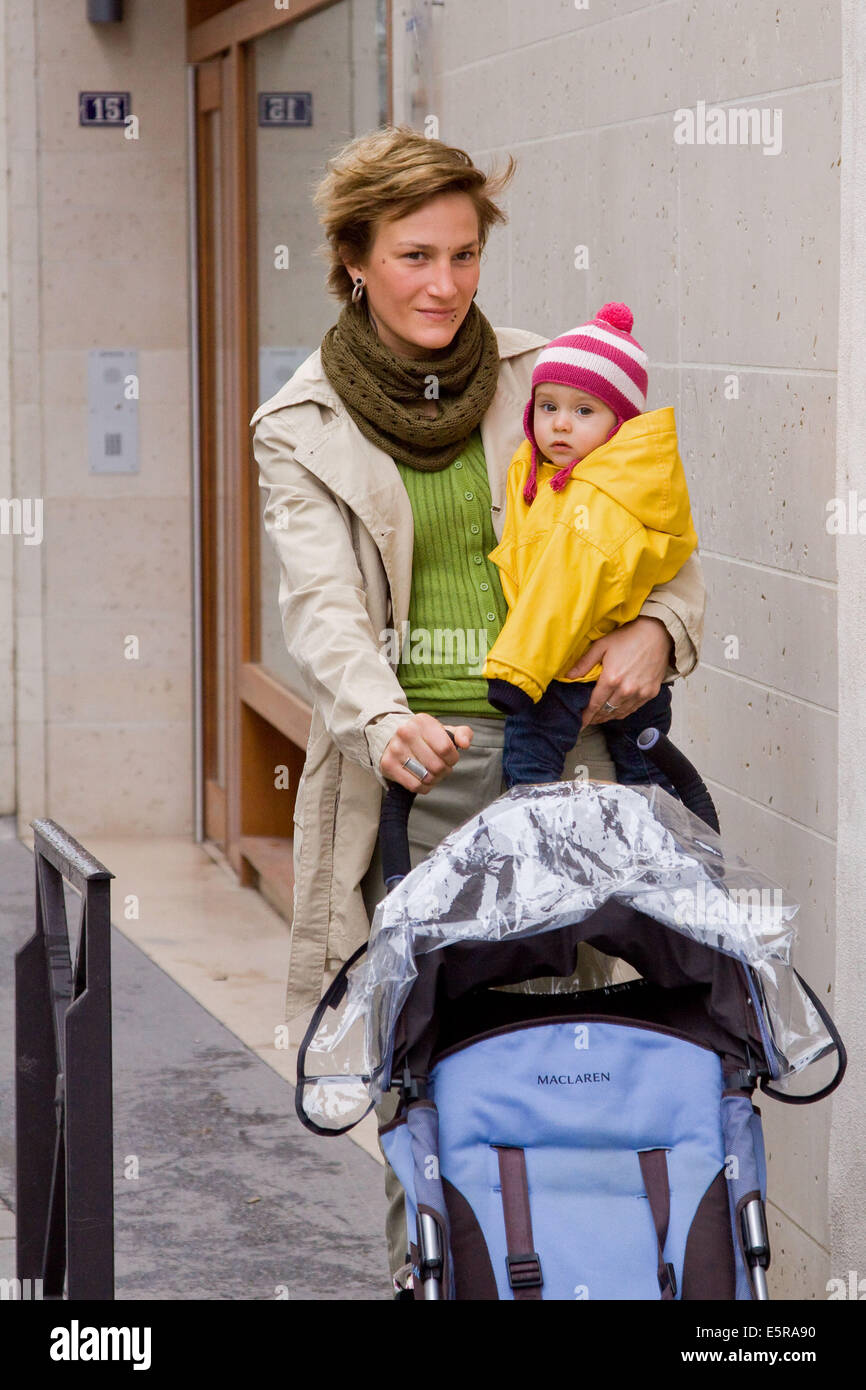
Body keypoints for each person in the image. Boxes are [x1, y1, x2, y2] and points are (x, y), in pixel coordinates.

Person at [250, 125, 706, 1292]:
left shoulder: (552, 377)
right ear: (353, 258)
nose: (444, 284)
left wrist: (655, 631)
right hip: (410, 776)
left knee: (575, 1048)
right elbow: (323, 612)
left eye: (463, 254)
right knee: (426, 1063)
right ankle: (439, 1273)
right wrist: (378, 715)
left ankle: (580, 1269)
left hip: (568, 769)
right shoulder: (301, 426)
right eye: (413, 255)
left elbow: (658, 538)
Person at [483, 303, 698, 798]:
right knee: (649, 791)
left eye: (583, 411)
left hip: (570, 669)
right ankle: (665, 860)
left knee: (528, 777)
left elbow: (558, 595)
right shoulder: (558, 474)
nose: (560, 425)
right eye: (547, 407)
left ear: (619, 425)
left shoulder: (595, 501)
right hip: (608, 670)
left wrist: (516, 675)